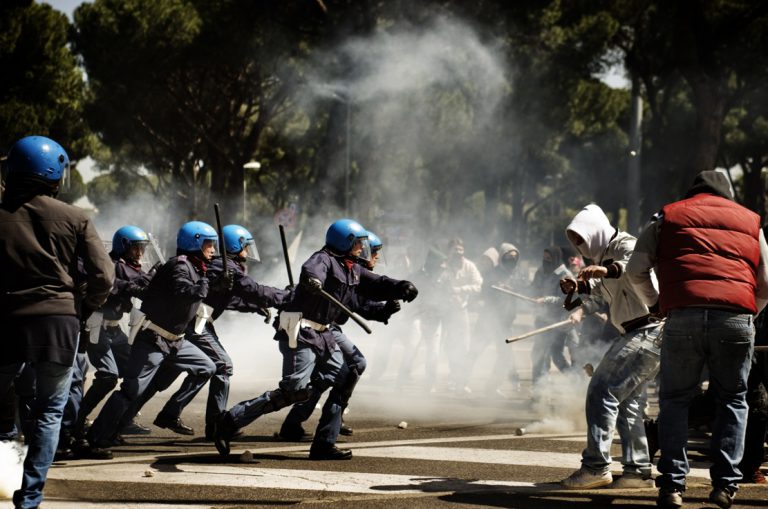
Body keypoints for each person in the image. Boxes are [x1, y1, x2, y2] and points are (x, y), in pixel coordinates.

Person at [214, 219, 417, 460]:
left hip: (323, 334)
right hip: (302, 331)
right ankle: (229, 421)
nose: (362, 249)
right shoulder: (323, 259)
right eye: (358, 243)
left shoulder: (352, 268)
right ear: (346, 242)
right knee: (294, 390)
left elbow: (378, 283)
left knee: (345, 377)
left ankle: (323, 443)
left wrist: (401, 287)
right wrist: (313, 282)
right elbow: (311, 270)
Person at [626, 170, 768, 509]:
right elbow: (766, 282)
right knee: (733, 400)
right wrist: (750, 313)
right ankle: (725, 485)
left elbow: (635, 270)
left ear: (693, 193)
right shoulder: (752, 222)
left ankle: (672, 486)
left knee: (675, 399)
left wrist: (656, 303)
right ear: (728, 194)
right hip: (734, 319)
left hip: (683, 316)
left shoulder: (668, 216)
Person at [0, 135, 114, 509]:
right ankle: (29, 497)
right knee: (50, 411)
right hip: (58, 322)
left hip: (6, 320)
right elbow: (104, 276)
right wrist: (85, 305)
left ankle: (4, 469)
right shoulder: (76, 217)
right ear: (55, 174)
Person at [87, 221, 223, 448]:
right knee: (131, 389)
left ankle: (170, 413)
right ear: (195, 243)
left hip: (176, 341)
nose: (212, 249)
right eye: (209, 244)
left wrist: (218, 284)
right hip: (153, 338)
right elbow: (183, 291)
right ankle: (98, 437)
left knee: (207, 368)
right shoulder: (179, 266)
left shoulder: (196, 267)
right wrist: (208, 285)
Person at [558, 204, 664, 490]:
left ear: (594, 230)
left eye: (581, 238)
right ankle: (637, 472)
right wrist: (576, 291)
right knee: (628, 404)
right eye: (575, 241)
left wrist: (606, 269)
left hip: (647, 330)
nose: (580, 246)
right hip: (642, 333)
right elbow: (598, 299)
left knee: (601, 390)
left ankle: (595, 467)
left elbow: (630, 268)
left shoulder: (625, 244)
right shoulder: (602, 256)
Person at [74, 226, 155, 440]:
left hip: (115, 329)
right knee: (108, 377)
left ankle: (122, 420)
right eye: (135, 248)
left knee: (139, 373)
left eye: (142, 248)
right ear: (123, 247)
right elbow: (113, 282)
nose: (139, 253)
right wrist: (132, 287)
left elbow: (143, 281)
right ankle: (76, 419)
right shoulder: (113, 264)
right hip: (96, 326)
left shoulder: (133, 267)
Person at [466, 243, 522, 394]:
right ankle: (460, 381)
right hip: (488, 321)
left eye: (515, 258)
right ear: (502, 257)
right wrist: (497, 289)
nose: (512, 260)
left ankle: (491, 387)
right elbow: (484, 293)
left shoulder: (516, 275)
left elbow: (524, 291)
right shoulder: (492, 274)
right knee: (475, 351)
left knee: (505, 356)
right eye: (509, 257)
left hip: (505, 323)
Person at [437, 238, 482, 393]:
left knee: (463, 346)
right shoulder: (444, 266)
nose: (459, 253)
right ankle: (449, 379)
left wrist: (460, 290)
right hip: (445, 312)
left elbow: (478, 285)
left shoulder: (470, 266)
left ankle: (462, 381)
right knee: (447, 346)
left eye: (461, 250)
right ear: (449, 251)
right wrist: (448, 295)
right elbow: (436, 286)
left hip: (461, 311)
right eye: (455, 250)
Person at [530, 246, 576, 384]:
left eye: (549, 259)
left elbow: (566, 300)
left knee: (549, 355)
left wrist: (546, 300)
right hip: (542, 319)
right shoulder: (541, 271)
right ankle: (540, 393)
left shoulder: (565, 275)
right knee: (541, 354)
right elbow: (534, 287)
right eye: (544, 258)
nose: (546, 261)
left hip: (557, 321)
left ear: (556, 258)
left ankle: (576, 383)